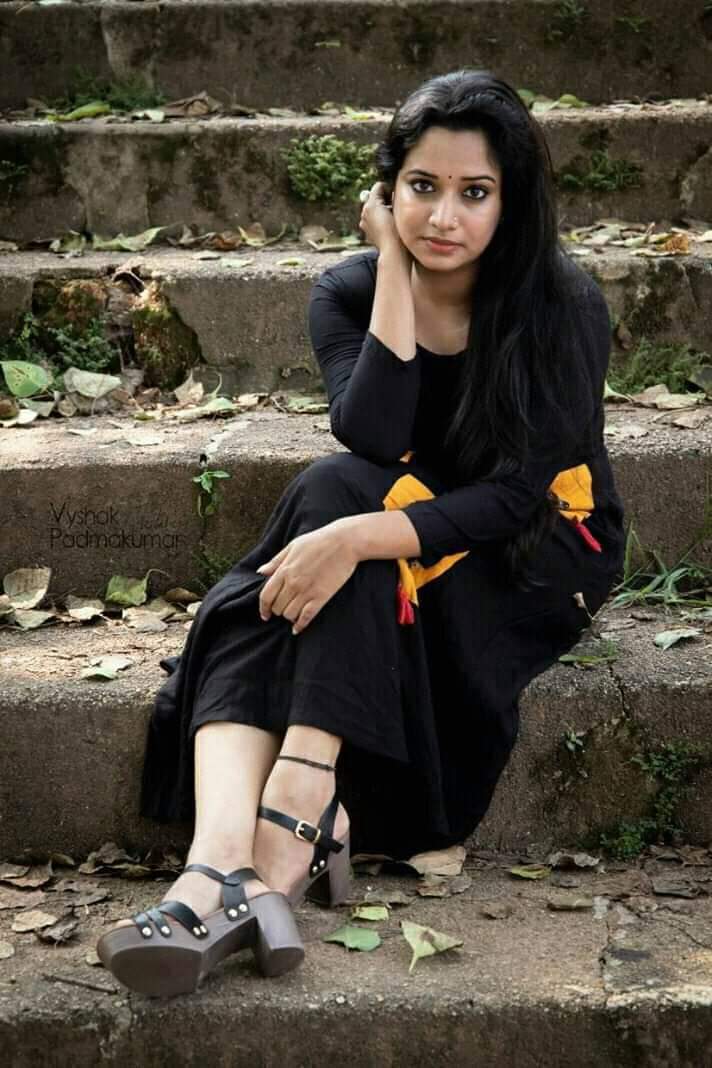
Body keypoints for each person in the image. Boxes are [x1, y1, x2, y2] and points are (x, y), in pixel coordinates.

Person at [97, 68, 626, 996]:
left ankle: (278, 833)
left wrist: (351, 541)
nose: (444, 218)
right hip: (399, 511)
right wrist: (391, 268)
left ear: (512, 200)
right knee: (335, 493)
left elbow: (514, 498)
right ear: (386, 189)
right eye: (421, 187)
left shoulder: (561, 304)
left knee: (325, 539)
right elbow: (374, 435)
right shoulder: (346, 292)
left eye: (475, 192)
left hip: (534, 547)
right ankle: (227, 864)